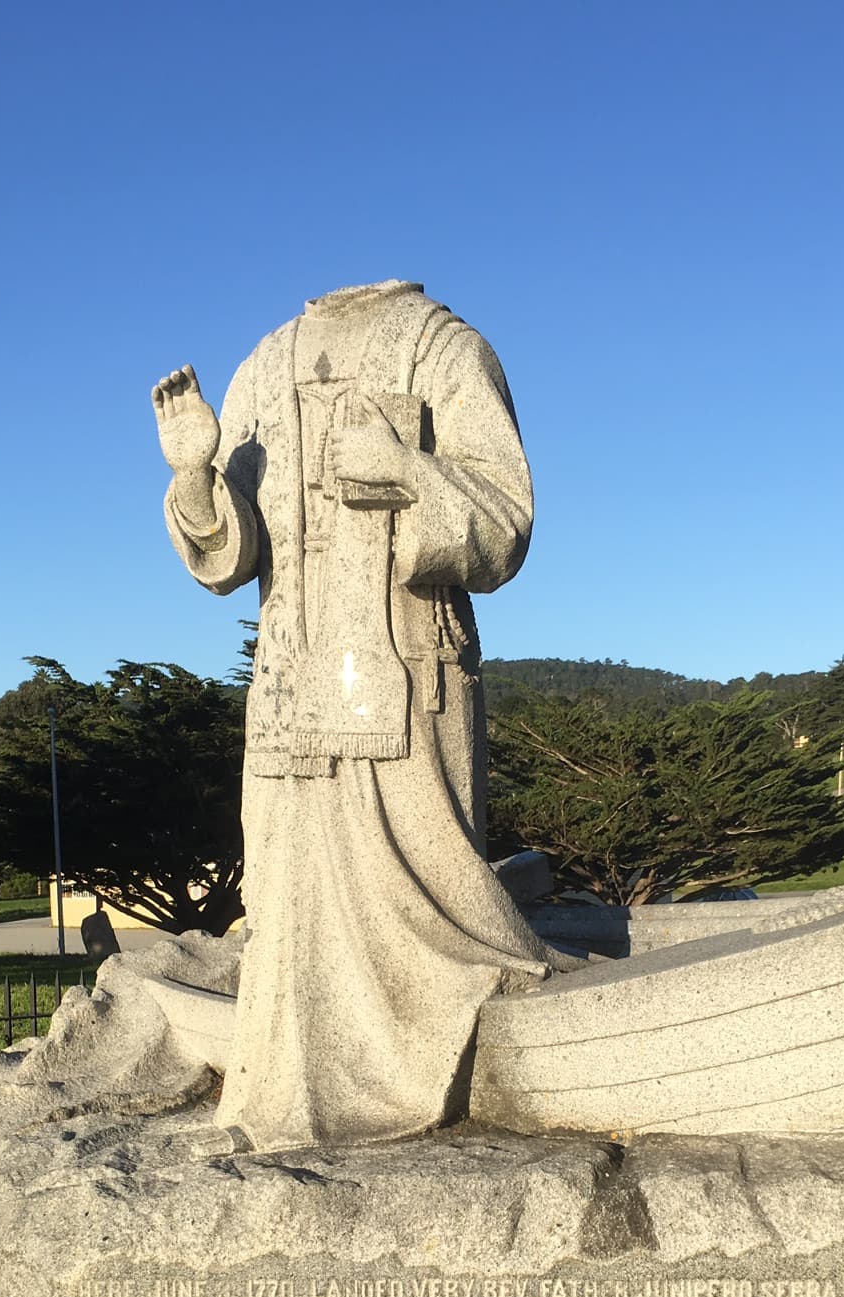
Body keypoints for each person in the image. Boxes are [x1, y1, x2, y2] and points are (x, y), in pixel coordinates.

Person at [154, 279, 549, 1151]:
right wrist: (194, 477)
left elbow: (506, 517)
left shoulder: (441, 345)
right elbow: (230, 558)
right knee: (290, 905)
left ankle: (435, 1072)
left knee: (427, 899)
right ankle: (293, 1095)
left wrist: (409, 474)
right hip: (292, 692)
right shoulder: (262, 366)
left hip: (406, 681)